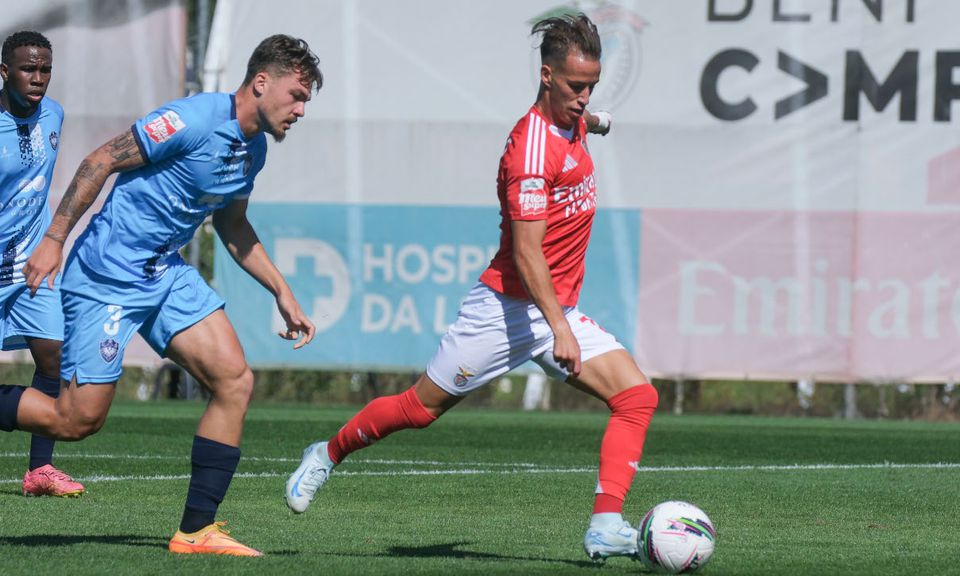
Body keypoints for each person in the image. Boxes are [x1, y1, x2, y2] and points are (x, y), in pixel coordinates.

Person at [284, 13, 657, 563]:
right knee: (418, 409)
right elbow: (528, 254)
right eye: (577, 87)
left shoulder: (572, 118)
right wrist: (560, 329)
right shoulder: (530, 153)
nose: (584, 97)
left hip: (553, 307)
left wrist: (598, 120)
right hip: (507, 309)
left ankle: (604, 524)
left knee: (636, 397)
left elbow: (581, 122)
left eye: (592, 87)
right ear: (546, 76)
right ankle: (328, 452)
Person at [0, 34, 321, 557]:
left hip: (165, 276)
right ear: (261, 83)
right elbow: (100, 160)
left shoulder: (253, 149)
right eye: (297, 95)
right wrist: (54, 240)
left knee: (234, 380)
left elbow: (233, 225)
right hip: (105, 277)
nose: (302, 110)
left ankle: (196, 531)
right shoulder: (193, 119)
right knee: (76, 420)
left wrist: (281, 291)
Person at [0, 30, 85, 498]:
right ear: (4, 71)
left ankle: (40, 470)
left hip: (32, 267)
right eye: (28, 68)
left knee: (54, 355)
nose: (38, 78)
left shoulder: (55, 114)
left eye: (45, 69)